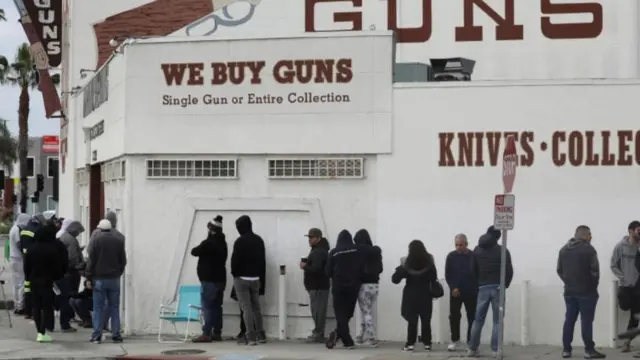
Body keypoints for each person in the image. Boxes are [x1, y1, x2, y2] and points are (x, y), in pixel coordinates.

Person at [557, 225, 606, 359]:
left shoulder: (563, 250)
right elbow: (595, 272)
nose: (591, 237)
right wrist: (592, 286)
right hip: (587, 292)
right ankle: (589, 350)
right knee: (586, 321)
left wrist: (568, 282)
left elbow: (559, 270)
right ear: (585, 235)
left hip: (569, 291)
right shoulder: (589, 250)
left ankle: (566, 349)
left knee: (569, 320)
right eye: (590, 234)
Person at [467, 226, 514, 357]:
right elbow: (509, 270)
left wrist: (478, 283)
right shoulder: (502, 250)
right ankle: (495, 350)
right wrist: (505, 285)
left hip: (482, 287)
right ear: (498, 237)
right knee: (497, 320)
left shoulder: (476, 250)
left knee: (478, 320)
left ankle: (472, 348)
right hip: (498, 287)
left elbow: (472, 269)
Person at [23, 214, 65, 342]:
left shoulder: (31, 249)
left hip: (34, 280)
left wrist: (27, 280)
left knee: (36, 306)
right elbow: (57, 267)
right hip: (47, 281)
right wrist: (57, 277)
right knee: (47, 306)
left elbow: (26, 267)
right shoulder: (52, 249)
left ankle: (39, 332)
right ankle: (44, 331)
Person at [392, 240, 437, 352]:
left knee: (412, 320)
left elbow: (395, 279)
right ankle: (427, 343)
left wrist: (401, 267)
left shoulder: (407, 263)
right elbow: (434, 277)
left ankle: (410, 343)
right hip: (426, 294)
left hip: (411, 294)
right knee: (426, 319)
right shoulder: (429, 262)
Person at [86, 219, 127, 344]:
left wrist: (88, 276)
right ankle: (116, 334)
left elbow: (91, 260)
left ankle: (97, 334)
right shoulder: (119, 241)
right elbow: (123, 261)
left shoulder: (95, 241)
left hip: (99, 279)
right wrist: (118, 272)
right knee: (114, 307)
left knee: (98, 307)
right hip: (114, 279)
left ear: (100, 229)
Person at [325, 230, 365, 350]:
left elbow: (327, 271)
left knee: (340, 314)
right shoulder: (357, 250)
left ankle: (343, 338)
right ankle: (344, 338)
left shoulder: (334, 252)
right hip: (353, 286)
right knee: (348, 313)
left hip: (338, 286)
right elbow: (363, 266)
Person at [231, 215, 266, 345]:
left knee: (246, 308)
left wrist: (235, 275)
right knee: (256, 308)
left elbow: (234, 262)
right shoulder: (259, 240)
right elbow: (263, 262)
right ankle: (261, 334)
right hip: (256, 278)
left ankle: (250, 336)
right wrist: (261, 280)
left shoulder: (239, 241)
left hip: (242, 279)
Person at [191, 216, 228, 343]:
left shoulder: (208, 243)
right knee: (217, 306)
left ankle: (206, 333)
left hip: (209, 280)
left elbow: (194, 251)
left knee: (207, 307)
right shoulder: (223, 243)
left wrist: (207, 239)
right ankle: (217, 332)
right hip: (221, 280)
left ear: (211, 229)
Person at [611, 221, 640, 353]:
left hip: (638, 287)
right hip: (625, 286)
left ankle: (627, 343)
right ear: (630, 231)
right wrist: (622, 277)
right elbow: (613, 265)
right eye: (638, 230)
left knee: (635, 316)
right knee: (624, 305)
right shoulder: (620, 247)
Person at [445, 233, 477, 351]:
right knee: (454, 316)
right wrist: (453, 287)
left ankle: (470, 341)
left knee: (471, 317)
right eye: (456, 245)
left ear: (466, 244)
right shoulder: (451, 256)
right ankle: (455, 340)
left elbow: (476, 273)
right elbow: (448, 274)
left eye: (461, 244)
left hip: (470, 291)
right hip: (455, 292)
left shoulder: (473, 256)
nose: (458, 247)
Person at [353, 228, 382, 347]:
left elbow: (356, 268)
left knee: (366, 312)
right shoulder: (376, 251)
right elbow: (380, 269)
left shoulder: (359, 251)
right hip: (375, 285)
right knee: (366, 311)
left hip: (363, 285)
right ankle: (360, 336)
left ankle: (371, 337)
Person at [301, 228, 330, 343]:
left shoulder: (318, 252)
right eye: (309, 237)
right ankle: (318, 333)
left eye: (311, 237)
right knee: (318, 311)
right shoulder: (318, 250)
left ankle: (318, 334)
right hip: (317, 286)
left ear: (318, 238)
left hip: (318, 286)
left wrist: (305, 266)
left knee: (318, 311)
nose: (309, 239)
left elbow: (317, 268)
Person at [57, 220, 85, 333]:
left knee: (65, 297)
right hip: (71, 273)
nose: (78, 234)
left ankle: (65, 321)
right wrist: (81, 265)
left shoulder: (63, 237)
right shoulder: (72, 240)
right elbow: (73, 258)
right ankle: (66, 322)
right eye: (78, 232)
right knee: (70, 296)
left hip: (63, 272)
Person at [19, 214, 47, 320]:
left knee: (27, 286)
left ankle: (27, 311)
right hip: (35, 260)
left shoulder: (24, 229)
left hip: (26, 259)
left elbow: (21, 245)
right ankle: (35, 311)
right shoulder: (38, 229)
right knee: (35, 288)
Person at [9, 214, 31, 315]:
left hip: (13, 258)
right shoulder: (17, 229)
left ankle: (17, 305)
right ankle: (20, 306)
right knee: (22, 283)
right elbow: (19, 244)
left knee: (16, 284)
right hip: (18, 259)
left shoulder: (13, 228)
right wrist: (25, 253)